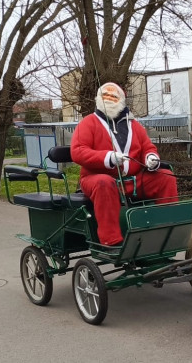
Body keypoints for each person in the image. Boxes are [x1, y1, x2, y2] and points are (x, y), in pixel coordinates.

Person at [69, 81, 178, 247]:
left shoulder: (134, 125)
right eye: (105, 96)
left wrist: (151, 157)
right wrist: (107, 158)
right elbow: (77, 151)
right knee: (104, 182)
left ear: (121, 100)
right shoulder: (88, 123)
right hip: (96, 179)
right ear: (98, 99)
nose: (109, 99)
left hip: (133, 180)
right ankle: (111, 241)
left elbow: (148, 147)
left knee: (166, 177)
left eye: (114, 96)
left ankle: (167, 230)